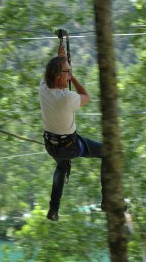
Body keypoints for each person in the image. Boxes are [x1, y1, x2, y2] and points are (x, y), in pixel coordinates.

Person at [39, 46, 104, 221]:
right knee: (108, 153)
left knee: (61, 166)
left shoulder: (43, 88)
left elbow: (51, 73)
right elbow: (86, 96)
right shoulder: (67, 98)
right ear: (59, 75)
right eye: (68, 72)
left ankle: (53, 210)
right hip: (70, 146)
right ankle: (107, 200)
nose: (70, 74)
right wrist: (73, 77)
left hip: (51, 145)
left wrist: (62, 59)